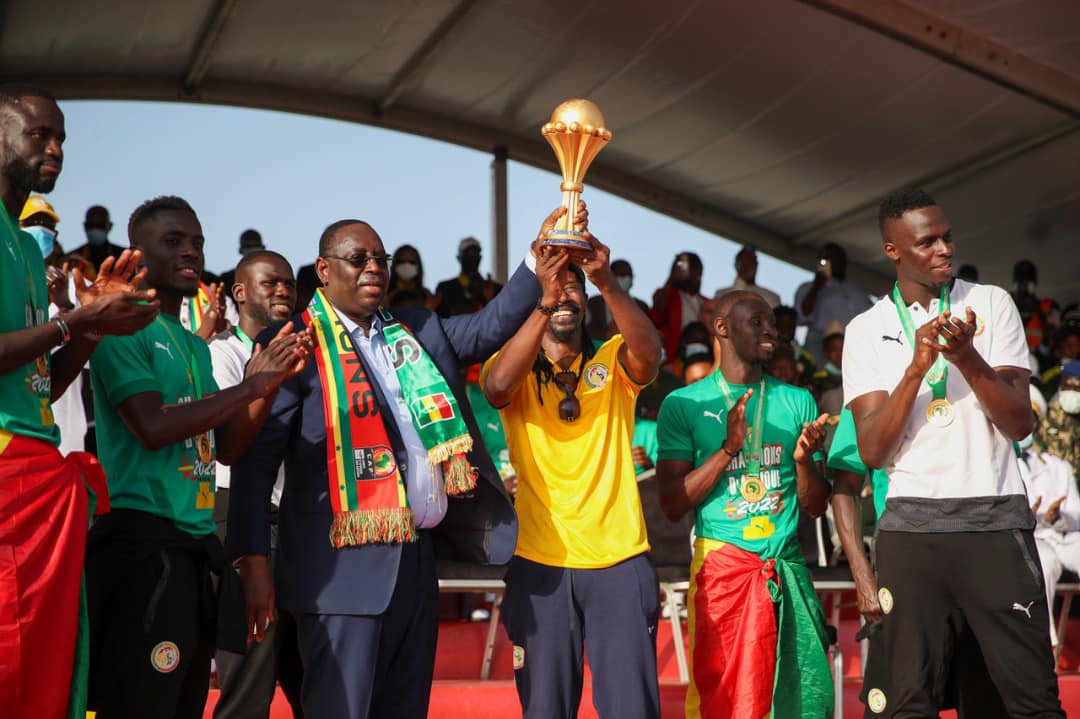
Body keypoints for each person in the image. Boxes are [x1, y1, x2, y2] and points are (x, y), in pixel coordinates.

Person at [227, 205, 578, 719]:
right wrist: (253, 561)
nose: (374, 268)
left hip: (414, 563)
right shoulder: (293, 342)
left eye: (380, 259)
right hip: (338, 570)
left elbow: (489, 327)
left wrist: (536, 258)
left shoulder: (416, 329)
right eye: (358, 259)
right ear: (324, 271)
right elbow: (255, 465)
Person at [85, 195, 309, 719]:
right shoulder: (124, 331)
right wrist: (251, 385)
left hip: (194, 545)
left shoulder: (190, 344)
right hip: (141, 544)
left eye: (197, 243)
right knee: (140, 701)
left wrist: (268, 388)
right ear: (137, 254)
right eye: (173, 242)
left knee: (182, 701)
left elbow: (227, 446)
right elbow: (154, 427)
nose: (191, 252)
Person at [845, 188, 1062, 717]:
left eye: (947, 236)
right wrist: (917, 366)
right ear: (893, 250)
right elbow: (873, 450)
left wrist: (966, 358)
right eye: (927, 242)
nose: (945, 248)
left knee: (1028, 702)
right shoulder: (867, 330)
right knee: (908, 702)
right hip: (911, 533)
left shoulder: (990, 304)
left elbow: (1019, 422)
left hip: (994, 524)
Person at [0, 83, 162, 719]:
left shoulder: (22, 240)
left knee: (47, 664)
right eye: (40, 135)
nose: (57, 149)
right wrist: (77, 320)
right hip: (8, 477)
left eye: (62, 137)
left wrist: (93, 326)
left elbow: (42, 382)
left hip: (38, 479)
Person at [482, 227, 664, 718]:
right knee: (545, 708)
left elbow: (651, 355)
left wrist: (606, 281)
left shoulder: (611, 359)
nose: (564, 294)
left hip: (619, 559)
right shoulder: (512, 366)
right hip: (540, 560)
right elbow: (497, 387)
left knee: (632, 709)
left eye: (572, 287)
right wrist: (541, 303)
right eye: (553, 286)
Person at [656, 291, 832, 719]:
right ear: (723, 329)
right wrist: (729, 449)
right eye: (758, 322)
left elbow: (815, 506)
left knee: (800, 699)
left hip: (786, 567)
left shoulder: (798, 401)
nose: (771, 330)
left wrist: (804, 462)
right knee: (725, 702)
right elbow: (672, 504)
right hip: (724, 571)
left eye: (772, 322)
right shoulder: (684, 404)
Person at [208, 250, 304, 719]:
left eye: (289, 282)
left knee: (313, 678)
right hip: (240, 520)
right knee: (249, 685)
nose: (284, 290)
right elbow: (234, 445)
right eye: (271, 283)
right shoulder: (220, 354)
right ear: (240, 293)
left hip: (297, 523)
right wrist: (263, 383)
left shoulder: (311, 353)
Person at [1018, 385, 1080, 649]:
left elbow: (1075, 513)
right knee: (1042, 561)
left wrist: (1056, 517)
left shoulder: (1058, 466)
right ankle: (1046, 644)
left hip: (1059, 535)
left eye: (1030, 418)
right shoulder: (1003, 465)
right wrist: (1027, 516)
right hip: (1028, 539)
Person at [794, 242, 872, 364]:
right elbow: (800, 317)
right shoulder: (807, 288)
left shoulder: (857, 294)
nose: (833, 263)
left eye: (837, 259)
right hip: (815, 348)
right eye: (827, 259)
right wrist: (817, 286)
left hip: (847, 350)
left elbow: (870, 323)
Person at [649, 251, 708, 367]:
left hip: (702, 361)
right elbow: (656, 316)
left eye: (685, 266)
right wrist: (672, 279)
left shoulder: (707, 302)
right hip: (671, 362)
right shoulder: (668, 294)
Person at [434, 236, 501, 316]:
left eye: (475, 255)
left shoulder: (493, 288)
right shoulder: (445, 289)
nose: (472, 259)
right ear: (459, 258)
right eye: (468, 255)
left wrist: (490, 298)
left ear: (480, 258)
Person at [586, 258, 649, 340]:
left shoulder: (641, 306)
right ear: (611, 276)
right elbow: (585, 332)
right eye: (622, 275)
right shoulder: (594, 304)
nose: (627, 278)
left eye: (629, 275)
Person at [1038, 360, 1080, 476]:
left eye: (1077, 388)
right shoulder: (1046, 417)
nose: (1072, 392)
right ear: (1061, 387)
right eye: (1068, 387)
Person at [712, 244, 781, 309]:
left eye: (750, 262)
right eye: (742, 262)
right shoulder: (721, 294)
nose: (746, 267)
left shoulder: (771, 297)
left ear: (756, 265)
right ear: (736, 265)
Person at [69, 204, 127, 275]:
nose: (95, 229)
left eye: (100, 226)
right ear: (85, 226)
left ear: (110, 226)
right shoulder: (73, 258)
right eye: (91, 226)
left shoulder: (124, 256)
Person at [217, 228, 267, 299]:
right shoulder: (227, 279)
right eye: (248, 247)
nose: (252, 251)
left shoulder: (273, 277)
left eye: (255, 246)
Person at [386, 243, 434, 308]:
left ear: (418, 266)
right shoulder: (384, 293)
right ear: (394, 265)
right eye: (402, 261)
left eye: (412, 262)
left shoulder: (426, 295)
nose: (407, 265)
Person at [1038, 326, 1080, 401]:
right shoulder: (1050, 374)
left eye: (1075, 344)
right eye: (1068, 344)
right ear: (1060, 348)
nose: (1072, 349)